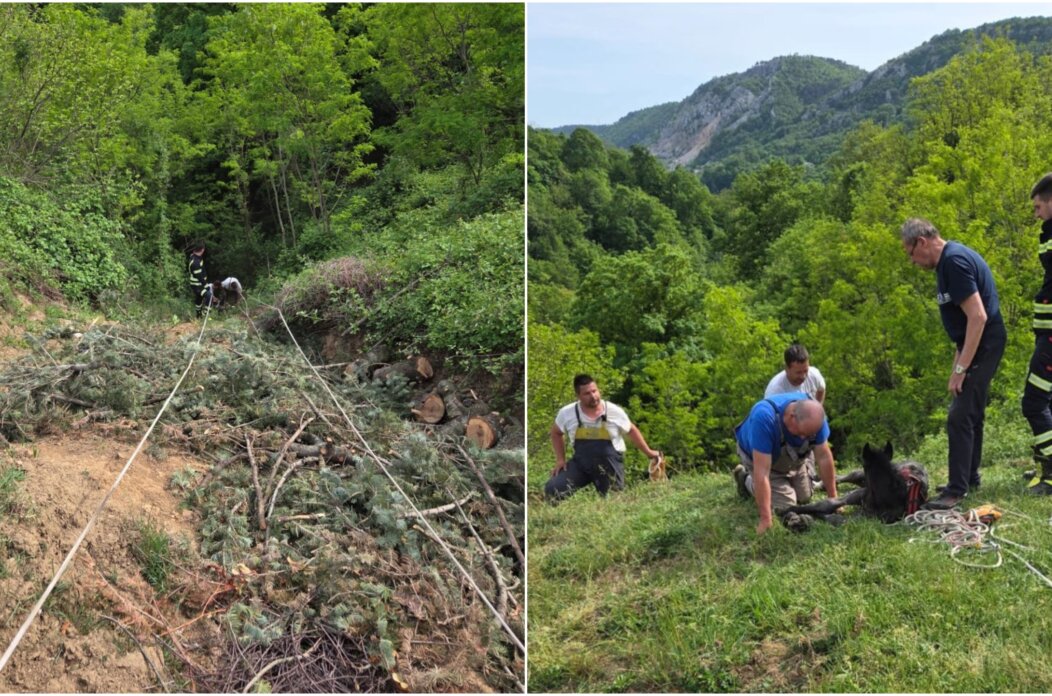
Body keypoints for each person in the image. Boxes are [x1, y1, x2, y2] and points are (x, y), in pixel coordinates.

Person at [900, 218, 1006, 509]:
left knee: (959, 416)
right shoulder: (946, 263)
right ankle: (968, 477)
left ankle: (956, 491)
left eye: (910, 253)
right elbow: (961, 326)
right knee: (970, 410)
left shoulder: (955, 262)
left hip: (985, 342)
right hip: (973, 344)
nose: (912, 261)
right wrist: (955, 367)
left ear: (921, 242)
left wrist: (963, 368)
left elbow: (978, 317)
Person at [732, 393, 837, 534]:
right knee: (786, 505)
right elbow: (762, 471)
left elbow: (824, 457)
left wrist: (833, 499)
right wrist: (765, 519)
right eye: (801, 433)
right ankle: (745, 479)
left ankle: (787, 481)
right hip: (761, 458)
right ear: (792, 417)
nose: (803, 438)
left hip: (794, 458)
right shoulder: (764, 418)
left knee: (805, 497)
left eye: (808, 435)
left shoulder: (815, 417)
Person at [545, 374, 661, 501]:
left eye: (594, 391)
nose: (593, 396)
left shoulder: (613, 411)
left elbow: (631, 430)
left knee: (614, 501)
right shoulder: (567, 413)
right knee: (553, 488)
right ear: (578, 396)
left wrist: (648, 452)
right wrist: (560, 460)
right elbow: (556, 433)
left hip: (609, 465)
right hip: (581, 464)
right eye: (587, 393)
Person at [1022, 173, 1052, 495]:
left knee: (1033, 403)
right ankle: (1046, 464)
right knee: (1048, 402)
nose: (1036, 213)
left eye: (1039, 206)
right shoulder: (1049, 231)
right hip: (1046, 332)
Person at [766, 343, 827, 482]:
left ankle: (810, 476)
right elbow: (772, 423)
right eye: (798, 372)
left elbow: (821, 389)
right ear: (787, 368)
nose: (804, 376)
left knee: (807, 487)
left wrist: (817, 410)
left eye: (805, 370)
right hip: (785, 437)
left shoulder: (814, 375)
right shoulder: (775, 390)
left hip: (806, 433)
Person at [188, 243, 213, 316]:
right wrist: (206, 286)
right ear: (202, 250)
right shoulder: (196, 263)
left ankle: (198, 314)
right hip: (197, 285)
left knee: (199, 298)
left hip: (198, 284)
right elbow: (199, 277)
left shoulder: (195, 256)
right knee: (209, 296)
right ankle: (205, 315)